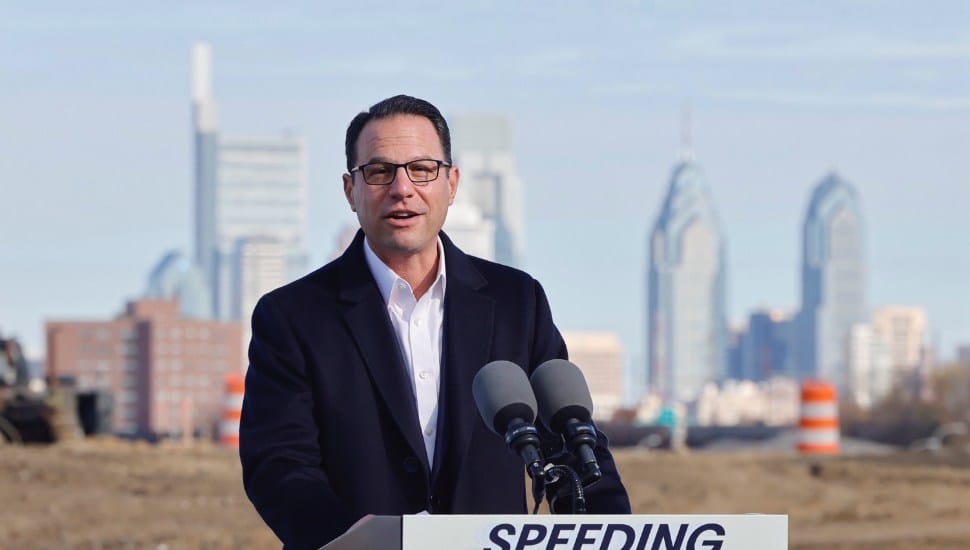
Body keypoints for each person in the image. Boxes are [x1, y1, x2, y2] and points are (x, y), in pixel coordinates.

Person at [240, 95, 630, 549]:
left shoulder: (516, 301)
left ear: (452, 182)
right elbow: (279, 466)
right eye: (380, 171)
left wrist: (615, 533)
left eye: (422, 169)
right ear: (350, 190)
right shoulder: (293, 316)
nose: (402, 188)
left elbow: (574, 445)